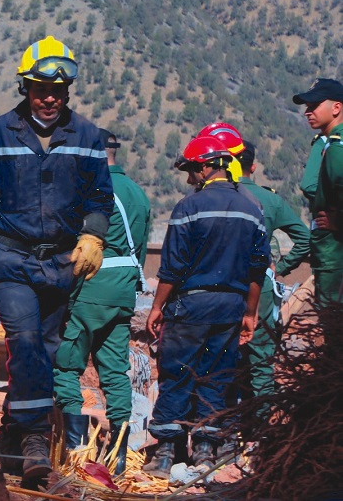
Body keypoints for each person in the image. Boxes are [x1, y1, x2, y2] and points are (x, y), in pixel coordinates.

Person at [0, 36, 113, 485]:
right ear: (26, 87)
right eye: (41, 89)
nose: (50, 98)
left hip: (59, 264)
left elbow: (100, 197)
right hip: (9, 260)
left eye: (58, 90)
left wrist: (93, 234)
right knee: (25, 341)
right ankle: (35, 440)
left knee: (48, 349)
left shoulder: (87, 137)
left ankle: (16, 433)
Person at [144, 136, 269, 477]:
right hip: (231, 308)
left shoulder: (188, 207)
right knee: (216, 378)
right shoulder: (253, 209)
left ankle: (166, 455)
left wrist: (157, 307)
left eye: (191, 171)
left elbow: (172, 268)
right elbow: (257, 269)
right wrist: (249, 312)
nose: (189, 179)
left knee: (177, 374)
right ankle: (205, 453)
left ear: (206, 168)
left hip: (190, 306)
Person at [53, 129, 150, 476]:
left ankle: (77, 450)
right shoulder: (138, 193)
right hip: (123, 292)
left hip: (89, 288)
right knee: (115, 372)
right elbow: (140, 249)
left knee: (67, 366)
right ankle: (119, 457)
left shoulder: (88, 189)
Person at [234, 140, 310, 400]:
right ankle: (261, 421)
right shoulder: (271, 200)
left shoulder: (213, 196)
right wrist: (280, 269)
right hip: (261, 285)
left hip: (222, 284)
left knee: (219, 356)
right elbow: (305, 238)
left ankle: (221, 420)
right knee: (261, 361)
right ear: (253, 167)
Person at [294, 78, 343, 310]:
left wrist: (339, 222)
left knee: (333, 324)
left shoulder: (337, 147)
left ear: (336, 108)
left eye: (314, 106)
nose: (307, 112)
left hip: (335, 259)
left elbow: (309, 185)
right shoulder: (331, 143)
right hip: (329, 257)